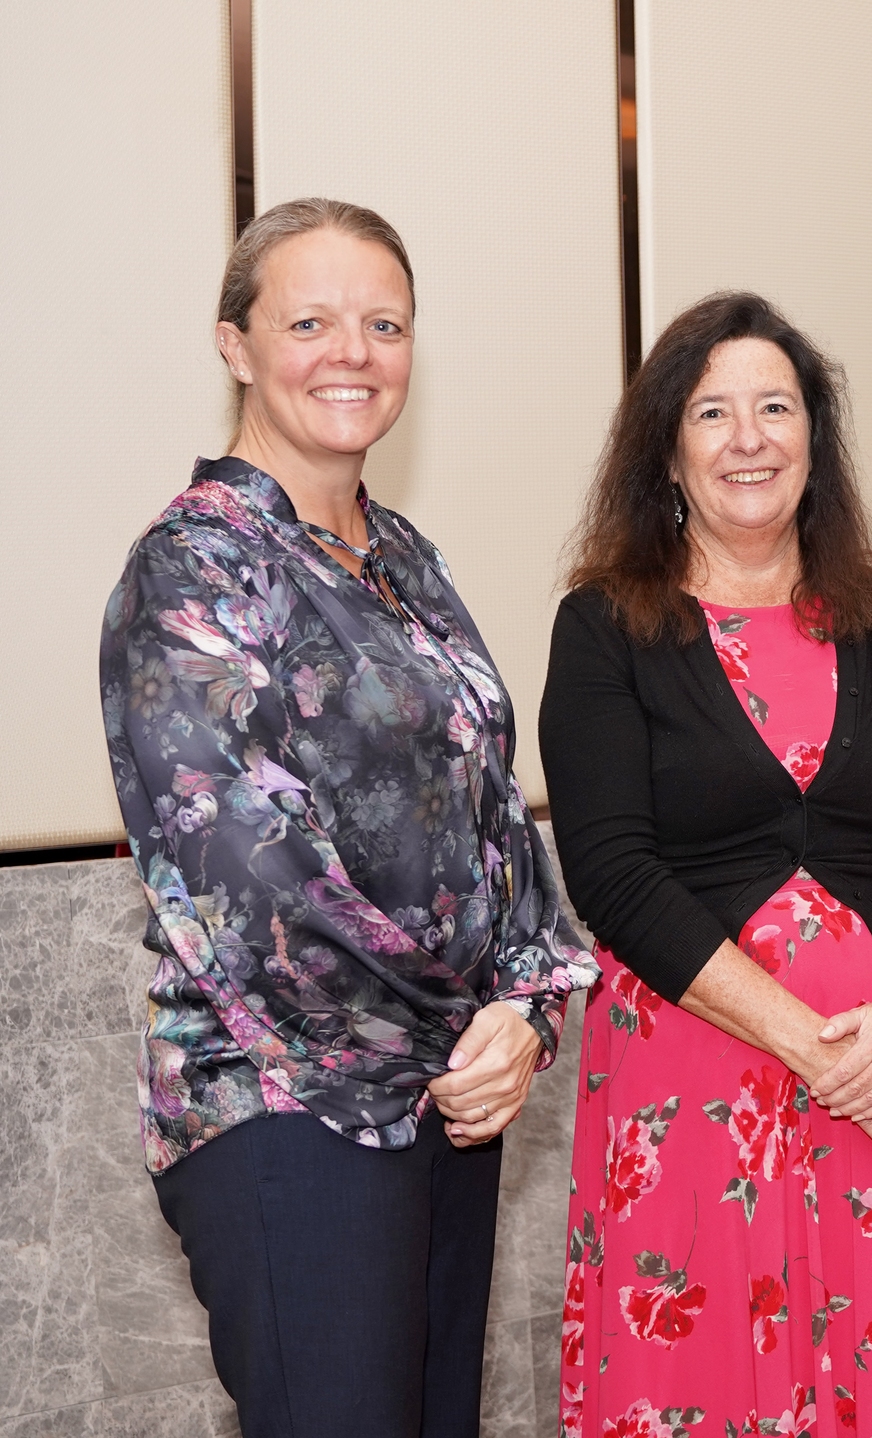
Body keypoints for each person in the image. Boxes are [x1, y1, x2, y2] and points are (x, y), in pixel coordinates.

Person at [98, 198, 596, 1437]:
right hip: (284, 1111)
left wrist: (526, 1012)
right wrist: (468, 1028)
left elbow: (492, 805)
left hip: (446, 1096)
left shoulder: (403, 558)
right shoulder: (193, 568)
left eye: (384, 322)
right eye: (310, 320)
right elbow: (247, 876)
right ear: (235, 344)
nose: (353, 352)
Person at [540, 291, 872, 1438]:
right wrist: (807, 1043)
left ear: (814, 440)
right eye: (712, 412)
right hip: (695, 1094)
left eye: (776, 407)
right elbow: (609, 869)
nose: (749, 437)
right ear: (668, 452)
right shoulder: (605, 627)